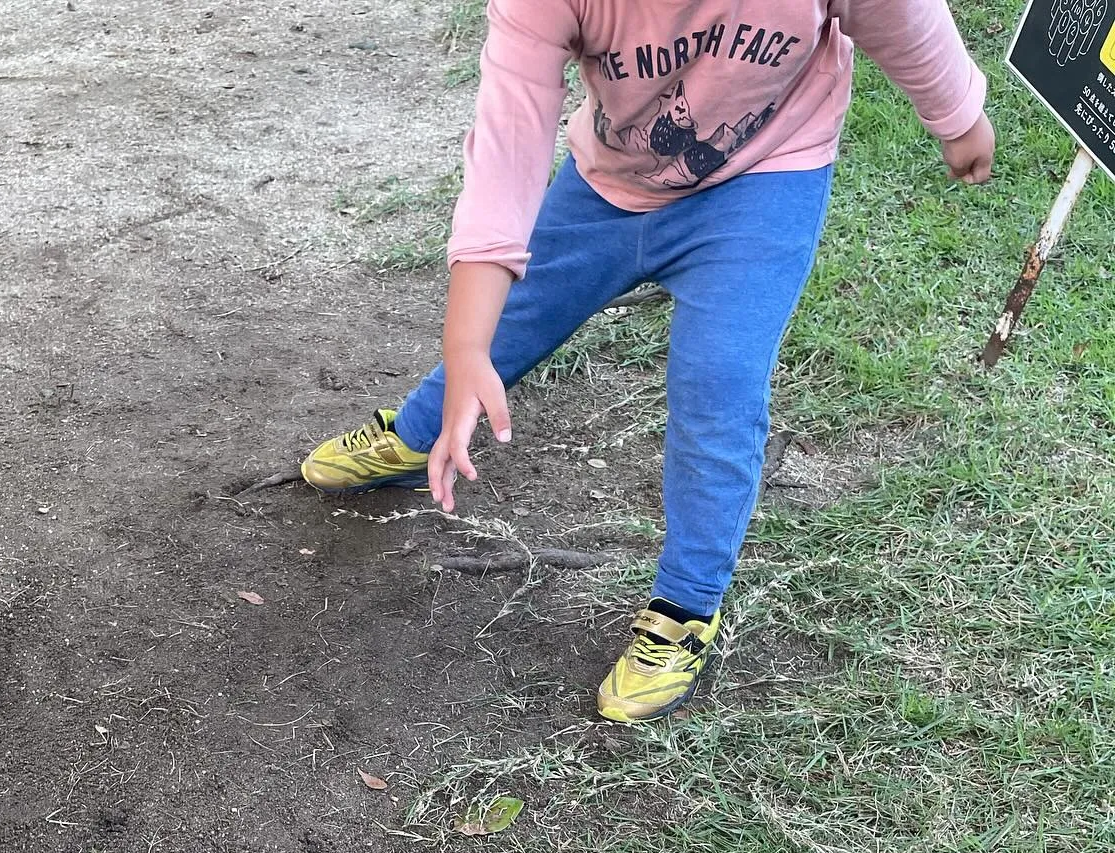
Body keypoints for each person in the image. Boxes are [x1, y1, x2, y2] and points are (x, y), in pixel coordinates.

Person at [301, 0, 994, 722]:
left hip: (765, 179)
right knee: (505, 325)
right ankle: (416, 437)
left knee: (719, 384)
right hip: (607, 184)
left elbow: (900, 14)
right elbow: (507, 148)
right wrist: (467, 346)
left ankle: (685, 605)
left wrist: (958, 115)